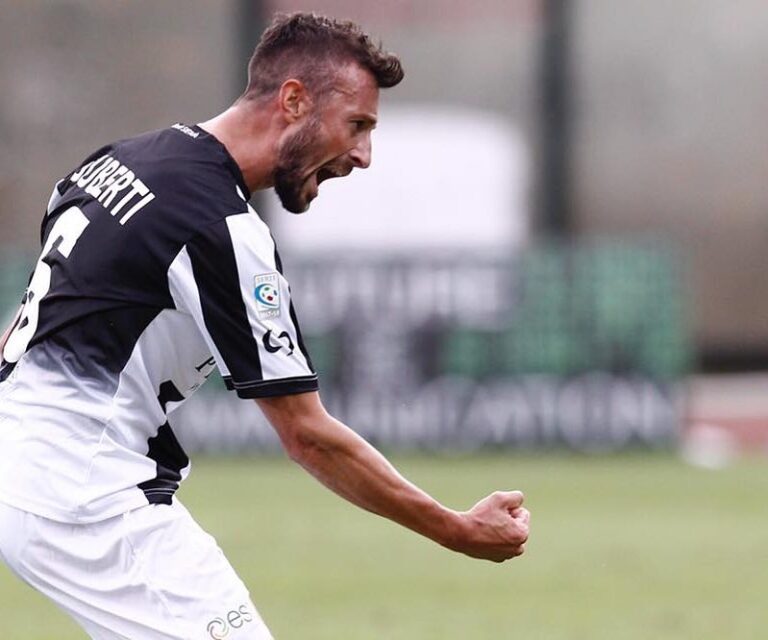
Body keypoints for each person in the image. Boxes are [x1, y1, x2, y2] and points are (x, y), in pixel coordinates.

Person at [0, 12, 530, 640]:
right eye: (357, 125)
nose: (363, 155)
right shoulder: (218, 225)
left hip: (33, 475)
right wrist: (456, 528)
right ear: (294, 100)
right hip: (85, 498)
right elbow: (308, 435)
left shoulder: (116, 161)